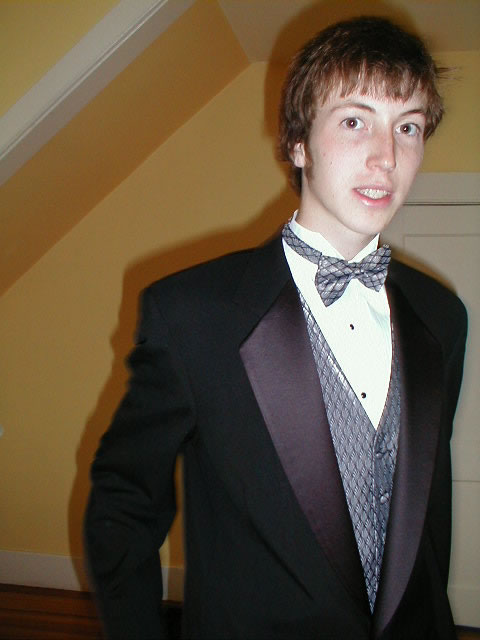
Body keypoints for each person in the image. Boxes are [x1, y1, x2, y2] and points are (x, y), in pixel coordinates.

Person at [85, 15, 467, 640]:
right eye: (355, 121)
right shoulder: (193, 314)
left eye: (408, 127)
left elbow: (426, 521)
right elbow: (123, 503)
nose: (387, 156)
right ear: (298, 144)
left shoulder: (443, 317)